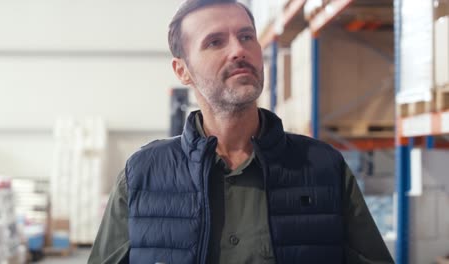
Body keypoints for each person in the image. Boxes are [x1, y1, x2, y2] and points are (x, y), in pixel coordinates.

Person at [88, 0, 394, 263]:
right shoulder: (142, 175)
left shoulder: (323, 167)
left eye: (246, 37)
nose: (238, 50)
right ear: (182, 70)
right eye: (215, 42)